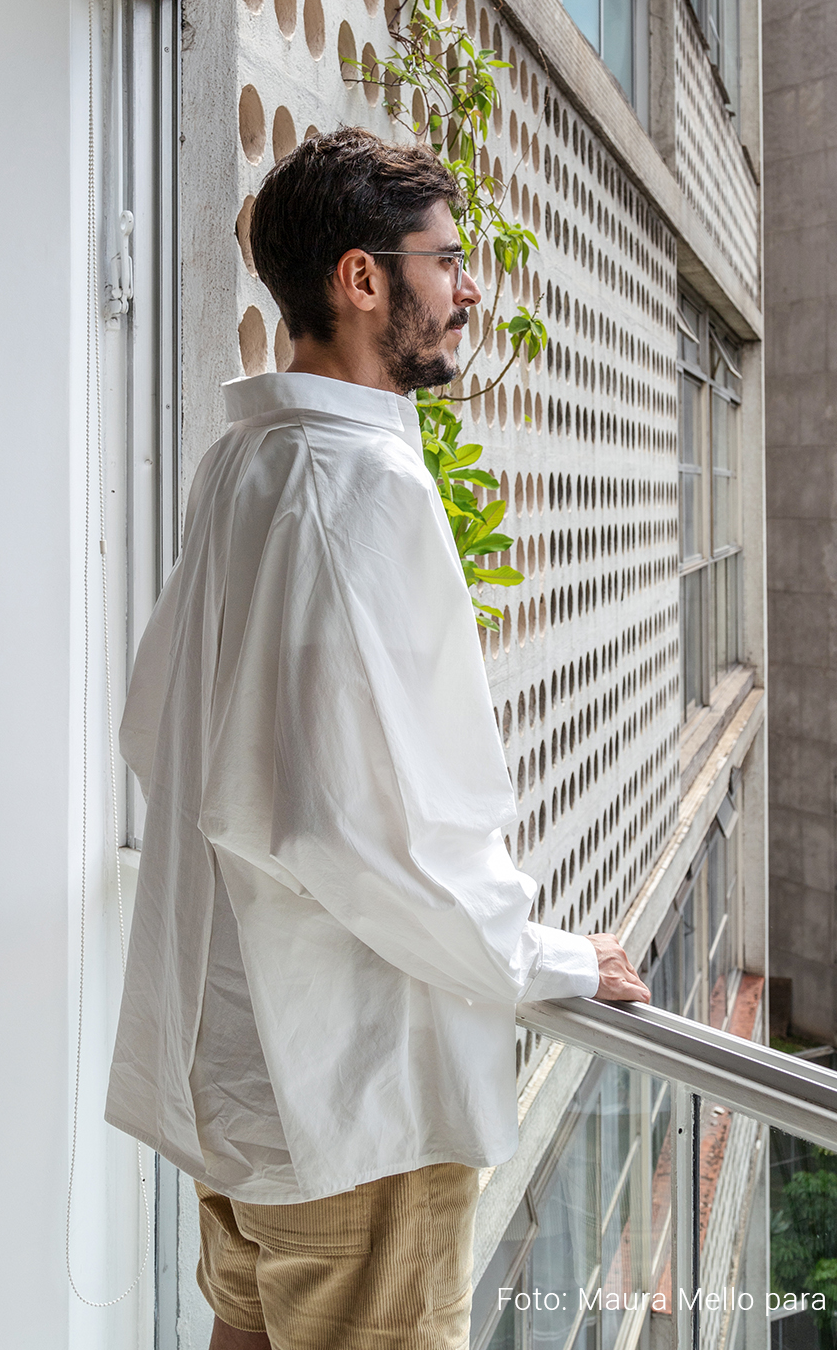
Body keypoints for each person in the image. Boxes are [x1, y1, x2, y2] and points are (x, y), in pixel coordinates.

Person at [106, 126, 649, 1350]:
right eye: (448, 260)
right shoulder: (356, 486)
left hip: (245, 1087)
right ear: (361, 280)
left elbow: (160, 731)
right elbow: (353, 826)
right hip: (351, 1102)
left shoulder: (239, 465)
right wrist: (551, 959)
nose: (468, 290)